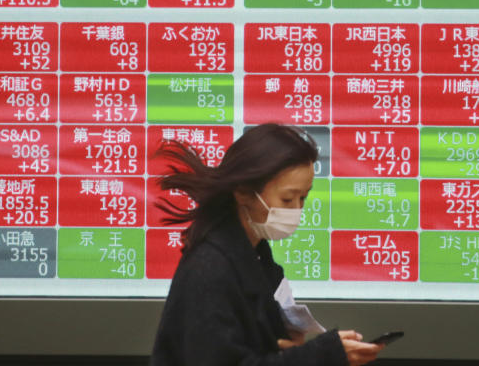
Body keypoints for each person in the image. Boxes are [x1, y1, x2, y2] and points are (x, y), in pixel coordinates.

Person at [149, 123, 384, 366]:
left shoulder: (256, 255)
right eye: (287, 199)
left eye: (302, 198)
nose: (296, 211)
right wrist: (322, 355)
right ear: (242, 193)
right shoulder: (209, 268)